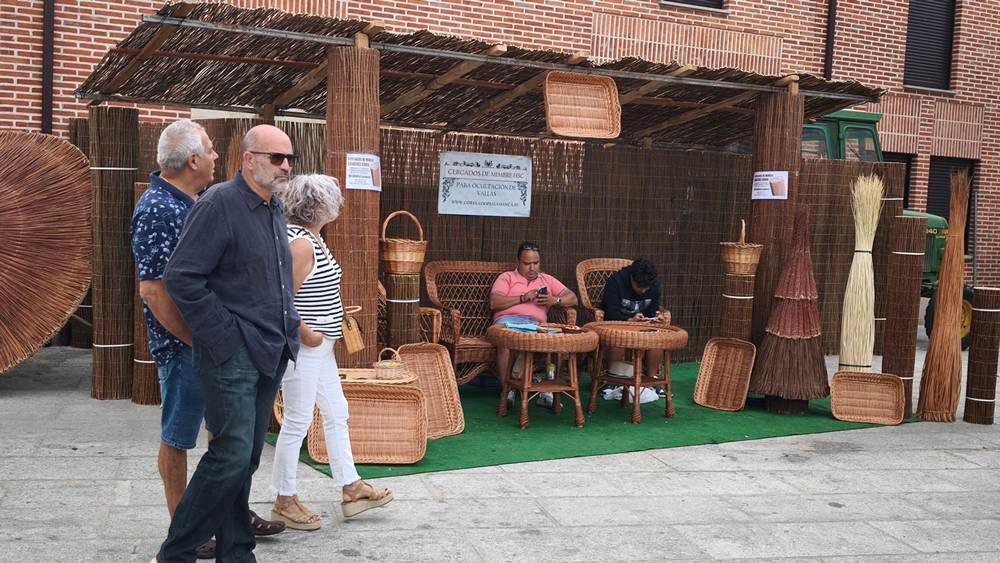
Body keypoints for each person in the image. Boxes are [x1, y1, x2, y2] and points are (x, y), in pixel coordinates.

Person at [155, 124, 300, 562]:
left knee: (246, 457)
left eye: (289, 158)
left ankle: (236, 550)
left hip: (271, 349)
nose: (286, 166)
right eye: (276, 158)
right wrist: (224, 335)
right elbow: (181, 278)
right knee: (230, 454)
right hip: (233, 352)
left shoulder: (273, 206)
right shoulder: (219, 203)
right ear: (248, 158)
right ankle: (176, 552)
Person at [269, 174, 393, 531]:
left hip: (321, 347)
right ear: (321, 206)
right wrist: (306, 334)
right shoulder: (301, 244)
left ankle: (350, 486)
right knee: (297, 420)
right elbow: (280, 298)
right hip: (307, 347)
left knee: (337, 410)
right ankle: (284, 498)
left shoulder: (312, 238)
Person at [489, 241, 577, 382]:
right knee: (505, 342)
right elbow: (494, 303)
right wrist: (522, 298)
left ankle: (547, 389)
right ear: (518, 261)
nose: (532, 268)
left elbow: (573, 298)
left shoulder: (547, 279)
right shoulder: (507, 277)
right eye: (527, 263)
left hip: (536, 326)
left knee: (557, 342)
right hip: (508, 323)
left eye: (536, 263)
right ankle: (507, 389)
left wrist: (554, 301)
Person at [600, 258, 666, 381]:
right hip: (617, 323)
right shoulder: (616, 282)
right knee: (618, 339)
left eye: (646, 288)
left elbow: (652, 310)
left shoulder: (654, 285)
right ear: (631, 278)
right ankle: (614, 380)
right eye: (640, 287)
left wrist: (655, 318)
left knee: (657, 338)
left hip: (641, 325)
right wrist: (629, 320)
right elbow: (610, 313)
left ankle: (652, 379)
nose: (643, 290)